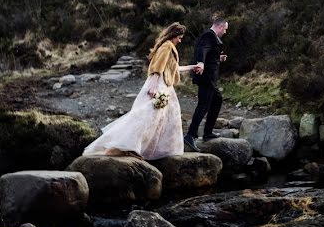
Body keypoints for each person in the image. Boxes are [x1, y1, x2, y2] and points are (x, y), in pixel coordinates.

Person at [83, 22, 198, 160]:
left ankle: (147, 148)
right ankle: (129, 146)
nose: (180, 40)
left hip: (165, 86)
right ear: (173, 35)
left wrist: (192, 67)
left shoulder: (168, 47)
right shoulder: (167, 46)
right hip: (159, 84)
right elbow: (157, 67)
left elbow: (174, 68)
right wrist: (154, 87)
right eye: (179, 37)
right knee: (147, 116)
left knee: (162, 118)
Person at [183, 17, 228, 152]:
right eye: (225, 29)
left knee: (217, 100)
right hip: (206, 78)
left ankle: (208, 132)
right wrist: (201, 63)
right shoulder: (209, 35)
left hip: (209, 78)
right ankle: (190, 135)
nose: (225, 32)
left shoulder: (211, 36)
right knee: (203, 105)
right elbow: (202, 49)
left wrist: (218, 58)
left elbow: (208, 52)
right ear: (220, 27)